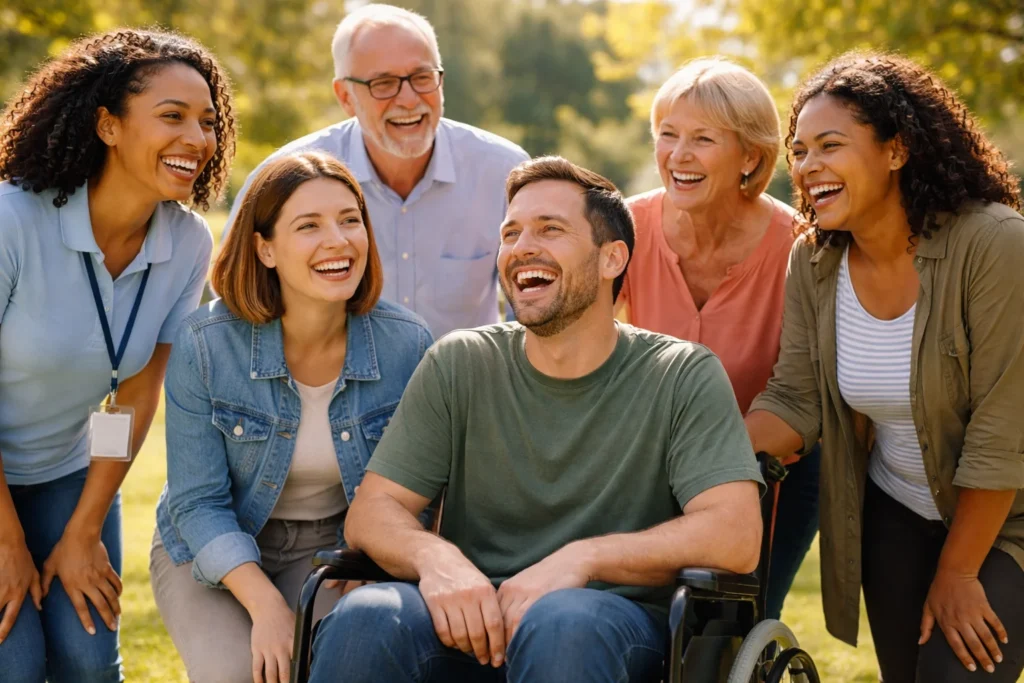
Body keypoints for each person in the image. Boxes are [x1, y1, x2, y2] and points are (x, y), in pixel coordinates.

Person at [305, 156, 765, 683]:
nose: (523, 246)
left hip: (605, 630)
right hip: (470, 621)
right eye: (511, 232)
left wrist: (584, 559)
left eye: (551, 229)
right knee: (366, 617)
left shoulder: (680, 373)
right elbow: (373, 511)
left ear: (612, 258)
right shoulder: (461, 362)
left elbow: (735, 533)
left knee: (562, 620)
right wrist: (437, 561)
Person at [746, 52, 1024, 682]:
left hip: (1009, 516)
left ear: (896, 151)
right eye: (800, 150)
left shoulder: (996, 243)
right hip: (895, 509)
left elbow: (1001, 431)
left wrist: (957, 573)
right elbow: (796, 399)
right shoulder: (813, 262)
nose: (809, 165)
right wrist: (704, 458)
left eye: (831, 145)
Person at [0, 29, 234, 682]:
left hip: (66, 471)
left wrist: (83, 528)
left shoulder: (187, 242)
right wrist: (6, 539)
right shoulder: (13, 220)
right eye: (172, 116)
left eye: (207, 121)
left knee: (86, 661)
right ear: (107, 125)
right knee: (14, 665)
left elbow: (130, 389)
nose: (198, 138)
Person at [150, 151, 433, 683]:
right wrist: (267, 607)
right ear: (265, 248)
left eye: (351, 220)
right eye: (309, 225)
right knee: (238, 673)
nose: (338, 241)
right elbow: (198, 501)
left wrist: (375, 558)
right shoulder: (205, 344)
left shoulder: (407, 343)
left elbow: (421, 488)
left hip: (338, 542)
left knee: (337, 664)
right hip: (211, 541)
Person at [618, 56, 819, 621]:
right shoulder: (623, 229)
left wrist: (706, 465)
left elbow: (804, 400)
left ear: (750, 157)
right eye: (667, 135)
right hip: (645, 469)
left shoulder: (801, 247)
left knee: (727, 627)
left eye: (703, 139)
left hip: (773, 470)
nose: (678, 155)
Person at [224, 3, 529, 338]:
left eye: (422, 77)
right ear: (345, 96)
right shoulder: (282, 179)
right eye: (384, 84)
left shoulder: (504, 172)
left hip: (466, 387)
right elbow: (237, 302)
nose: (409, 99)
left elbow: (535, 311)